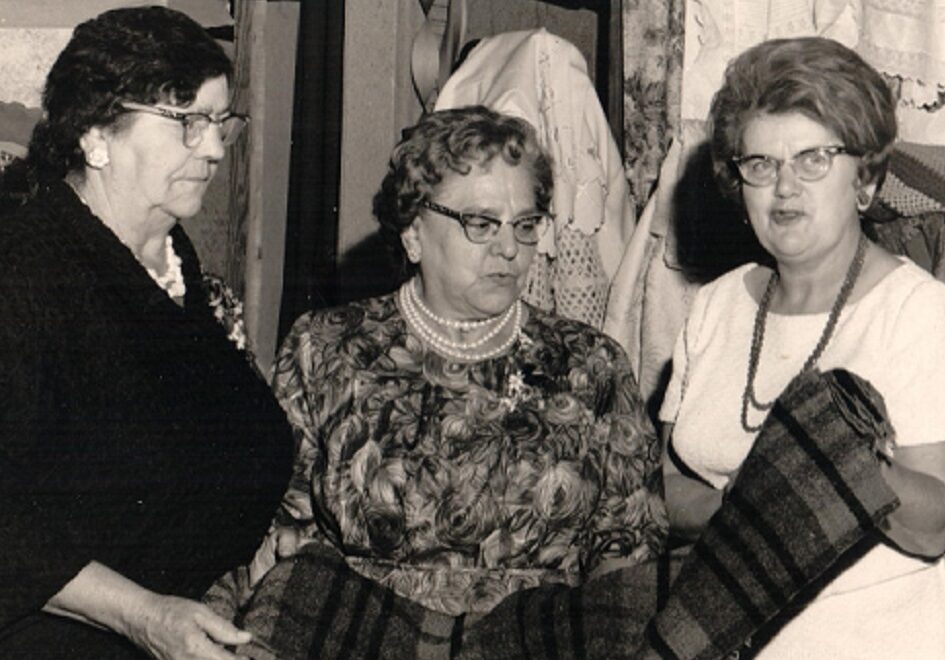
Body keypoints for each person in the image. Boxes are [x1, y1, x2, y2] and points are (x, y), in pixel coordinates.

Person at [227, 106, 666, 617]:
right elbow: (273, 527)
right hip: (360, 638)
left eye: (525, 225)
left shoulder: (591, 364)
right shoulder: (326, 348)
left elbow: (631, 552)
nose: (509, 248)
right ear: (414, 234)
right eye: (480, 223)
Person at [0, 7, 293, 658]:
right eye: (187, 120)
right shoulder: (23, 274)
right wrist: (146, 617)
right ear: (96, 134)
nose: (215, 148)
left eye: (221, 123)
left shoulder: (175, 264)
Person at [660, 37, 945, 657]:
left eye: (813, 159)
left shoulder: (918, 314)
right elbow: (666, 486)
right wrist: (750, 508)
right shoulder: (714, 305)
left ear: (865, 178)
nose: (784, 187)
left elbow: (934, 526)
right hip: (719, 635)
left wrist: (831, 474)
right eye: (760, 164)